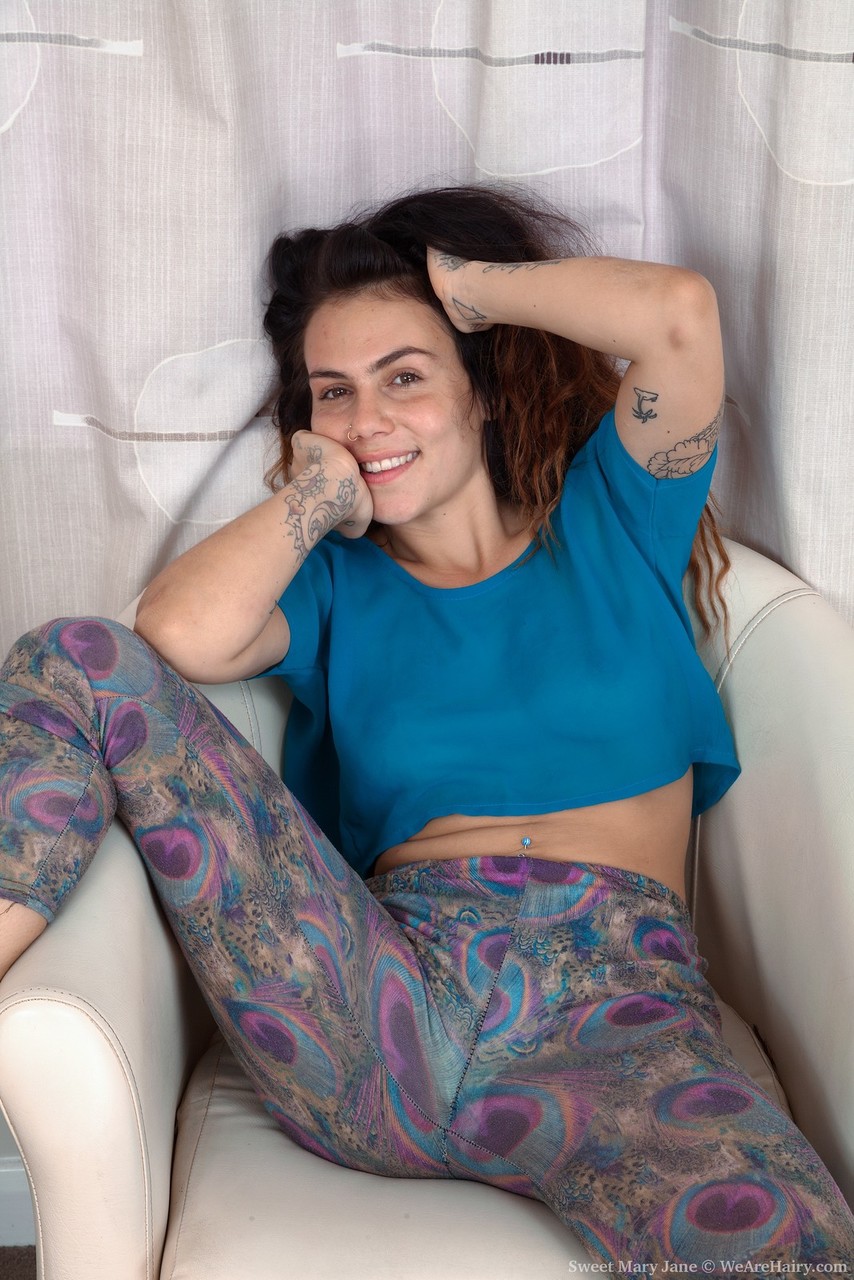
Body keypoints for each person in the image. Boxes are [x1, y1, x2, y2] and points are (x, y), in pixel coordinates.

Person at [1, 184, 852, 1270]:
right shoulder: (334, 587)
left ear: (481, 388)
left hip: (620, 1026)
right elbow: (170, 631)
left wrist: (458, 284)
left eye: (404, 376)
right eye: (335, 393)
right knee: (76, 657)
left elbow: (679, 317)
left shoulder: (616, 517)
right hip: (378, 1012)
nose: (367, 420)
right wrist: (316, 493)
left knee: (789, 1248)